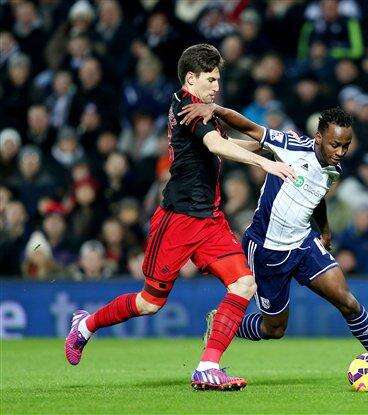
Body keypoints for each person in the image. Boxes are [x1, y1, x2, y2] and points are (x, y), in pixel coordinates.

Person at [64, 44, 296, 391]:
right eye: (211, 79)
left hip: (210, 221)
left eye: (218, 79)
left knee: (244, 284)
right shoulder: (188, 107)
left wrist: (274, 145)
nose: (217, 86)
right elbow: (217, 146)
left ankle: (207, 366)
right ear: (191, 78)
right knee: (149, 303)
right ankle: (85, 325)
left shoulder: (204, 111)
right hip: (178, 220)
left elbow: (225, 144)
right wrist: (266, 163)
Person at [179, 103, 368, 382]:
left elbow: (316, 197)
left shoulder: (334, 167)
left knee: (348, 302)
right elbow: (250, 128)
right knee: (274, 329)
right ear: (319, 138)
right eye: (335, 145)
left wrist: (325, 231)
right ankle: (222, 323)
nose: (340, 152)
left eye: (345, 145)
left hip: (304, 243)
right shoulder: (292, 146)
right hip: (267, 249)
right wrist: (215, 109)